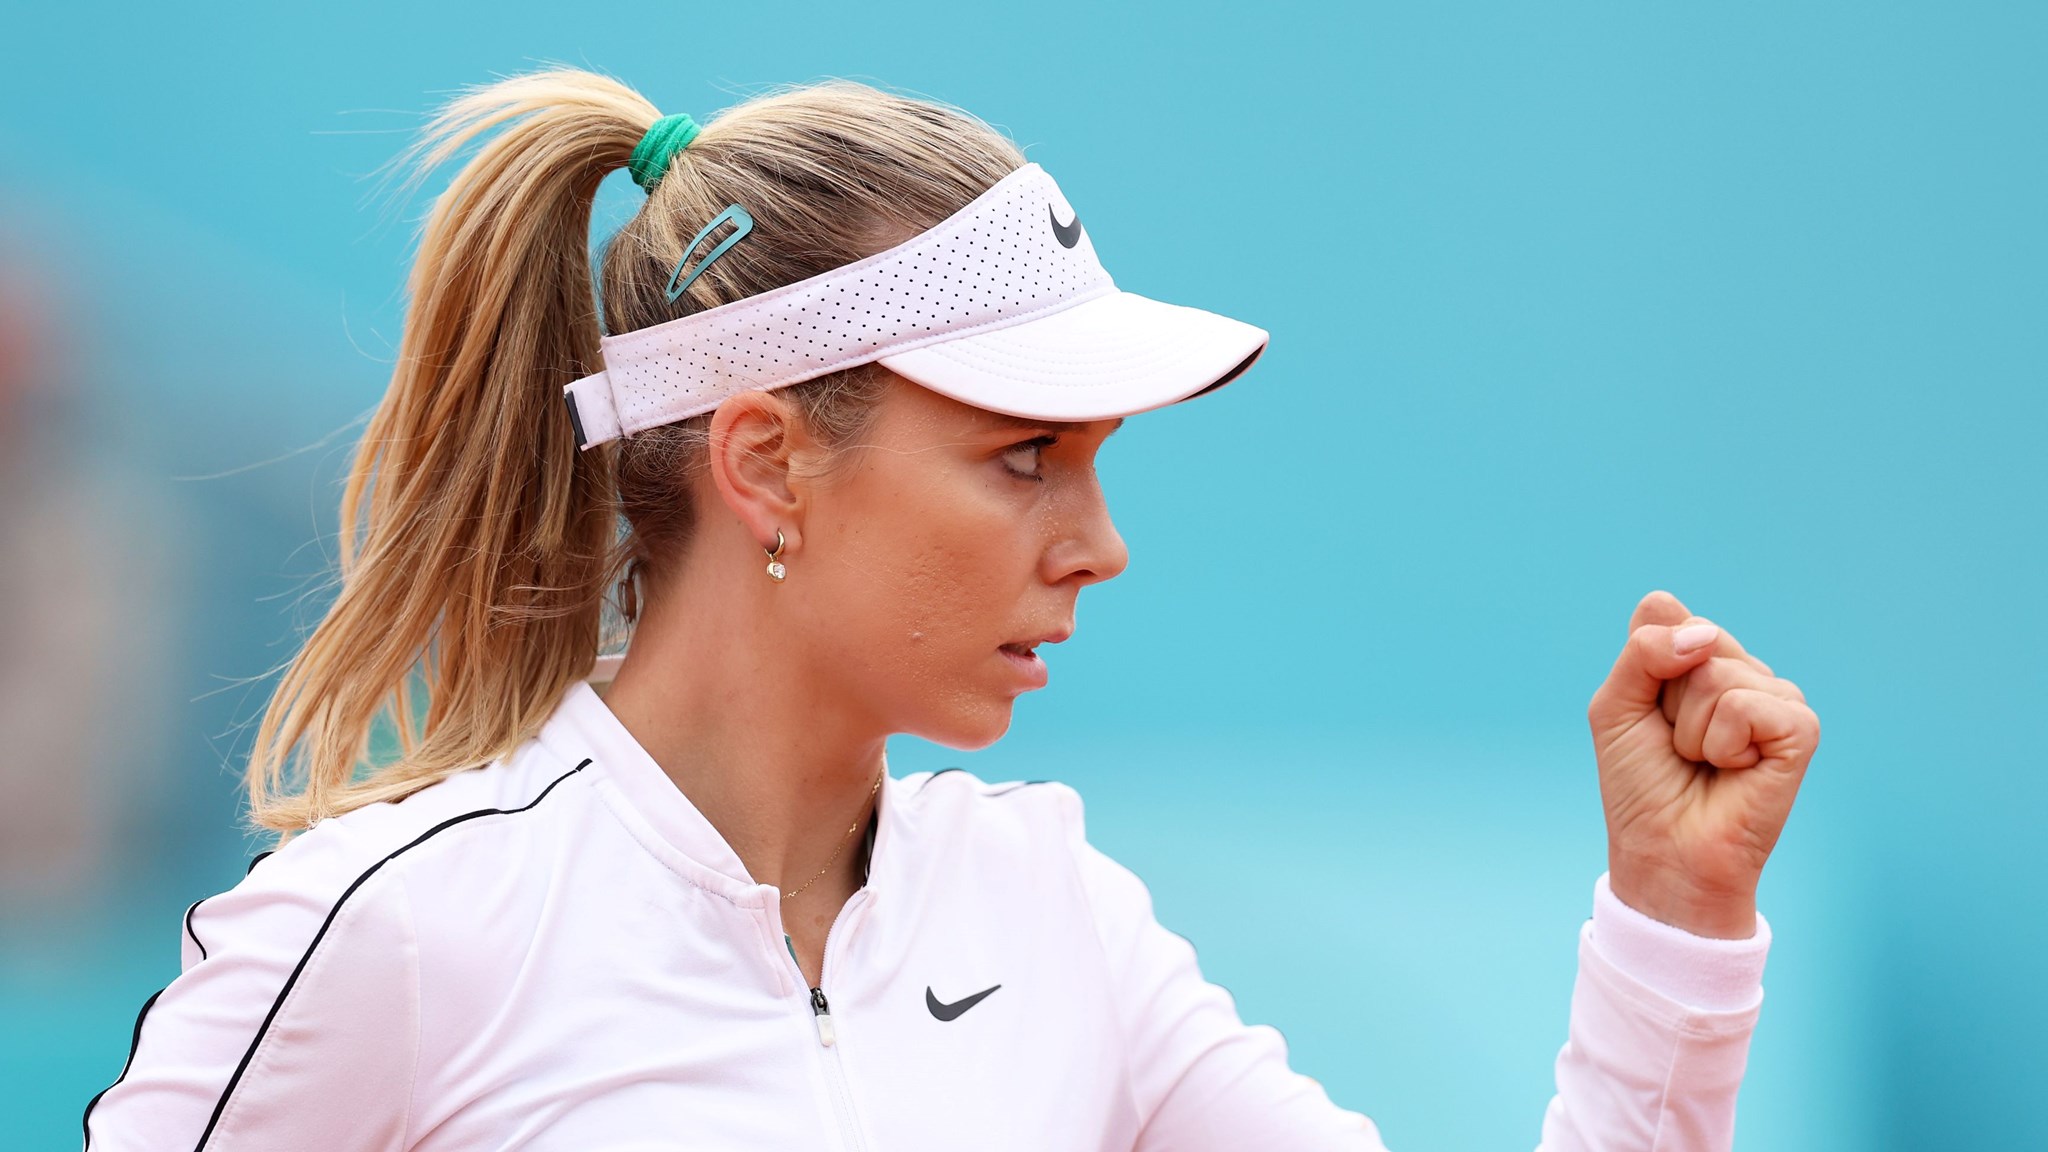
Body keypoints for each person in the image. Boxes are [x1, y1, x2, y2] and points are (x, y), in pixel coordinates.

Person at [81, 68, 1820, 1151]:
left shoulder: (1053, 908)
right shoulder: (397, 928)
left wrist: (1675, 922)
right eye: (1023, 459)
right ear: (768, 461)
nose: (1099, 543)